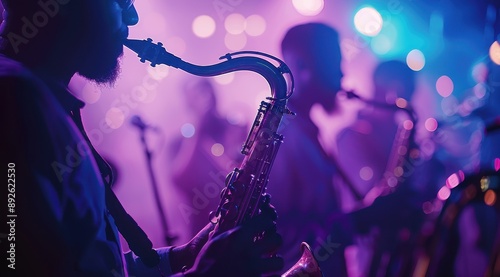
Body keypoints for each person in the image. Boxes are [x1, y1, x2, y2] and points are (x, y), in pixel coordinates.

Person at [0, 1, 283, 276]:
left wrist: (184, 255)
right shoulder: (14, 101)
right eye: (120, 2)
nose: (133, 18)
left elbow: (86, 263)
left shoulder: (41, 100)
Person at [336, 60, 446, 276]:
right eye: (408, 90)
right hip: (366, 253)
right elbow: (367, 190)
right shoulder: (350, 137)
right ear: (393, 88)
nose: (411, 97)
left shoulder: (405, 135)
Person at [267, 22, 349, 277]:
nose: (342, 74)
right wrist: (361, 221)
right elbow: (278, 229)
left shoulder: (303, 128)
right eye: (334, 62)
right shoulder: (283, 132)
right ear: (302, 67)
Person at [167, 78, 248, 239]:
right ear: (188, 102)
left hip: (243, 221)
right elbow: (179, 179)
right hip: (204, 231)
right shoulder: (179, 142)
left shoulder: (234, 127)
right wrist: (198, 129)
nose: (206, 97)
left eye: (207, 90)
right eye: (197, 95)